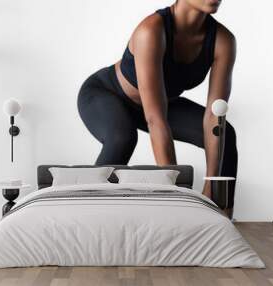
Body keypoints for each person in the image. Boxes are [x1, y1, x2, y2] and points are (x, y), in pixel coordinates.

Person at [77, 0, 237, 216]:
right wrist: (175, 194)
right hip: (106, 94)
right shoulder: (151, 30)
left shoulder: (222, 41)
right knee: (122, 137)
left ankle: (222, 219)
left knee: (224, 132)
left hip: (160, 102)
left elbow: (213, 116)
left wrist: (211, 190)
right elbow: (156, 120)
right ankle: (85, 213)